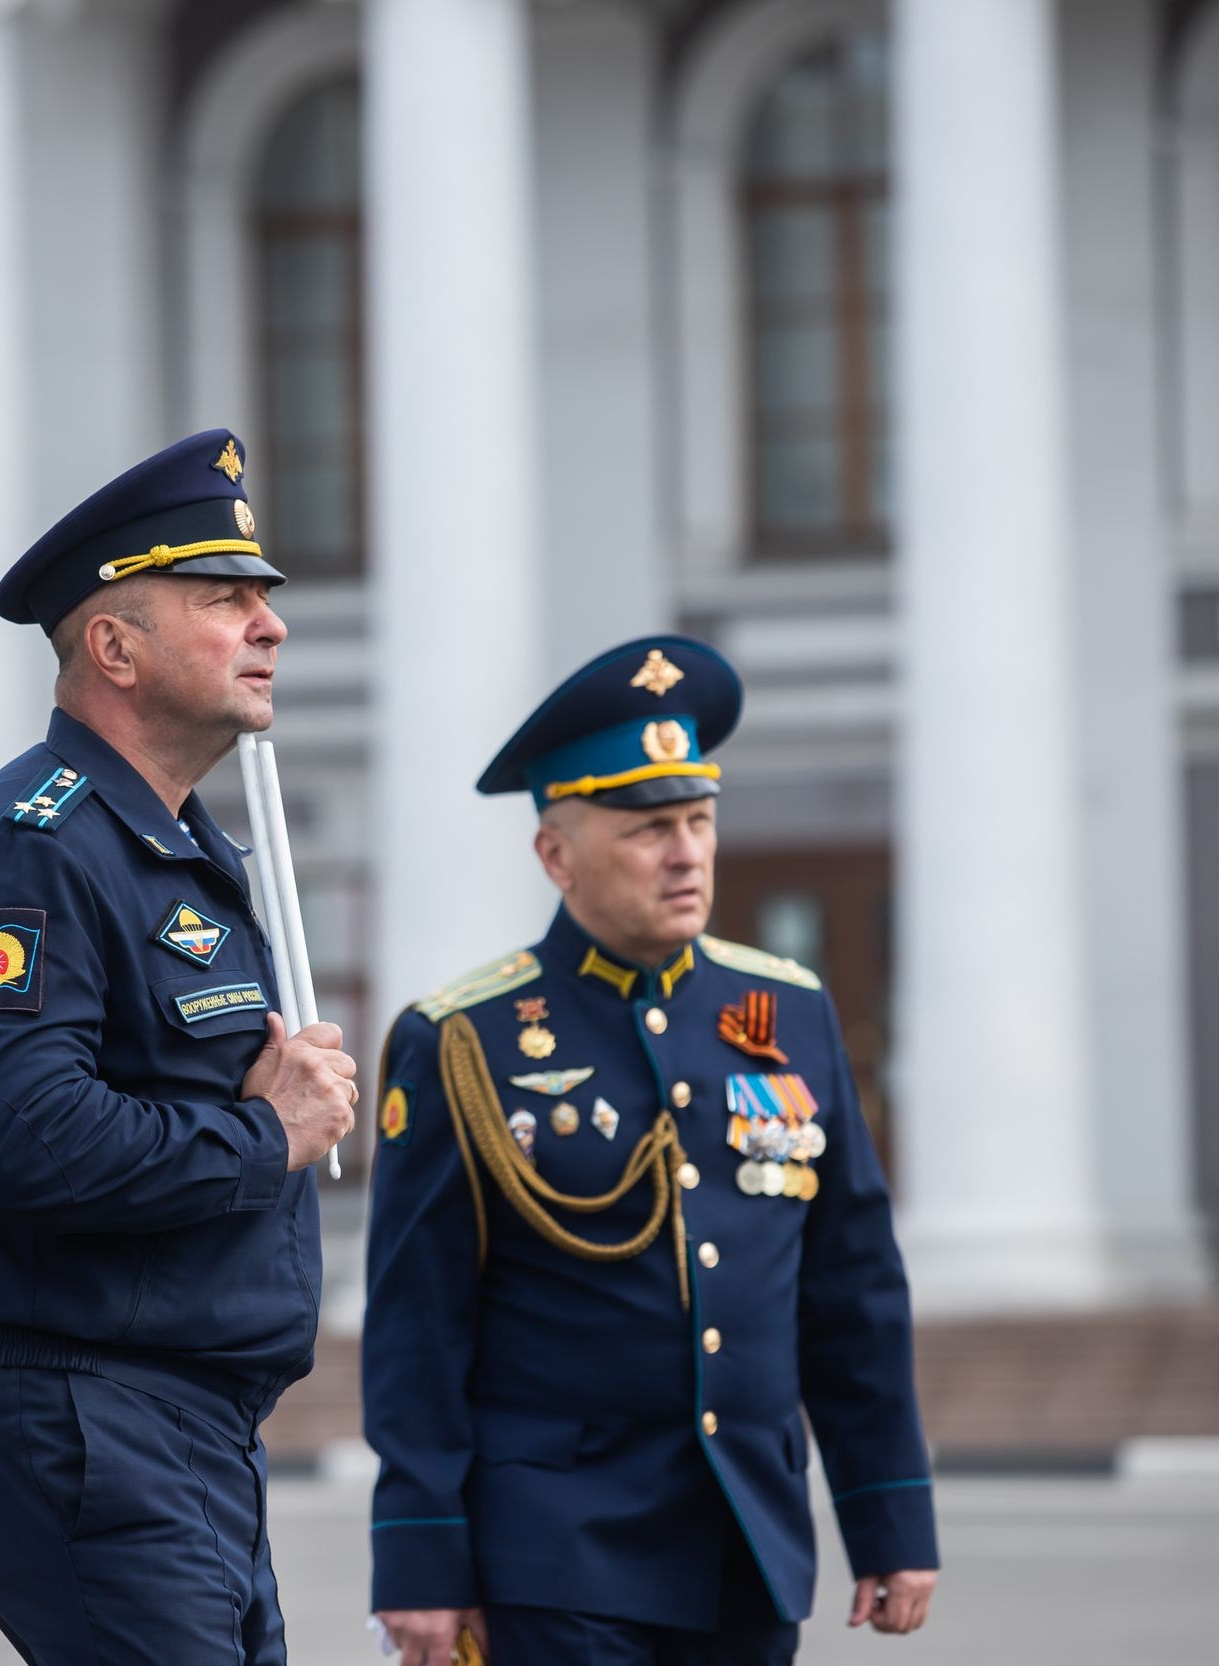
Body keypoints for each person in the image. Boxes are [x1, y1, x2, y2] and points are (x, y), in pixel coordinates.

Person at [0, 431, 358, 1665]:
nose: (269, 626)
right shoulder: (30, 850)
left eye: (265, 600)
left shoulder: (173, 848)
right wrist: (267, 1134)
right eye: (225, 599)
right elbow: (17, 1142)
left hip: (178, 1423)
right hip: (95, 1424)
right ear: (113, 646)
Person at [363, 637, 939, 1666]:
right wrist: (419, 1555)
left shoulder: (785, 1013)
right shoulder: (463, 1040)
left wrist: (888, 1515)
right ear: (556, 854)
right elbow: (418, 1327)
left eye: (697, 821)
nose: (685, 854)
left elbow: (851, 1289)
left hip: (743, 1538)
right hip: (555, 1549)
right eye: (646, 830)